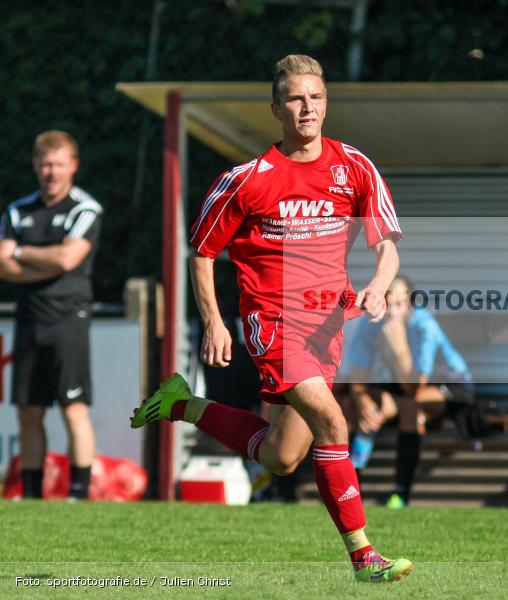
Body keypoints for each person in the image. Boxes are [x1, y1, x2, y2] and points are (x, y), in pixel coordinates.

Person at [130, 55, 411, 583]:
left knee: (282, 457)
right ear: (277, 109)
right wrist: (214, 321)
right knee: (333, 422)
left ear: (326, 103)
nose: (308, 107)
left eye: (316, 97)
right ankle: (364, 558)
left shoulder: (354, 167)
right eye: (296, 98)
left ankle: (180, 404)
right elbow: (202, 252)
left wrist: (377, 285)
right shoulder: (246, 179)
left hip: (328, 326)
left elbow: (388, 246)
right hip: (273, 321)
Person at [0, 130, 102, 500]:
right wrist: (46, 261)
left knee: (73, 408)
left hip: (68, 319)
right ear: (35, 165)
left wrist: (21, 253)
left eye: (58, 164)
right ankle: (31, 493)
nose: (51, 172)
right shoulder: (18, 210)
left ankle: (79, 492)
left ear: (73, 166)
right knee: (28, 411)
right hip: (29, 318)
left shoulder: (84, 209)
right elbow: (1, 263)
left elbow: (67, 258)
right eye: (45, 164)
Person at [342, 275, 478, 509]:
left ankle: (401, 492)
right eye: (387, 304)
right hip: (399, 385)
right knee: (362, 410)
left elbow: (414, 389)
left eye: (400, 304)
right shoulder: (371, 322)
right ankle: (352, 490)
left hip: (448, 385)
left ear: (410, 306)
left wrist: (399, 348)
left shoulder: (424, 326)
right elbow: (358, 375)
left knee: (409, 407)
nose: (393, 312)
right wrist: (363, 401)